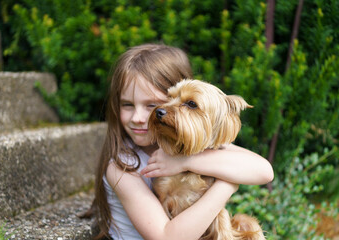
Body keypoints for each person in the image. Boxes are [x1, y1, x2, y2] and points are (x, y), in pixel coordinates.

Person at [92, 43, 274, 240]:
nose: (137, 117)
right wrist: (227, 184)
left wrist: (185, 162)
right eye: (127, 105)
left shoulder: (194, 146)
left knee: (249, 227)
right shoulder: (122, 166)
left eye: (152, 105)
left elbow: (265, 171)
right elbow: (166, 237)